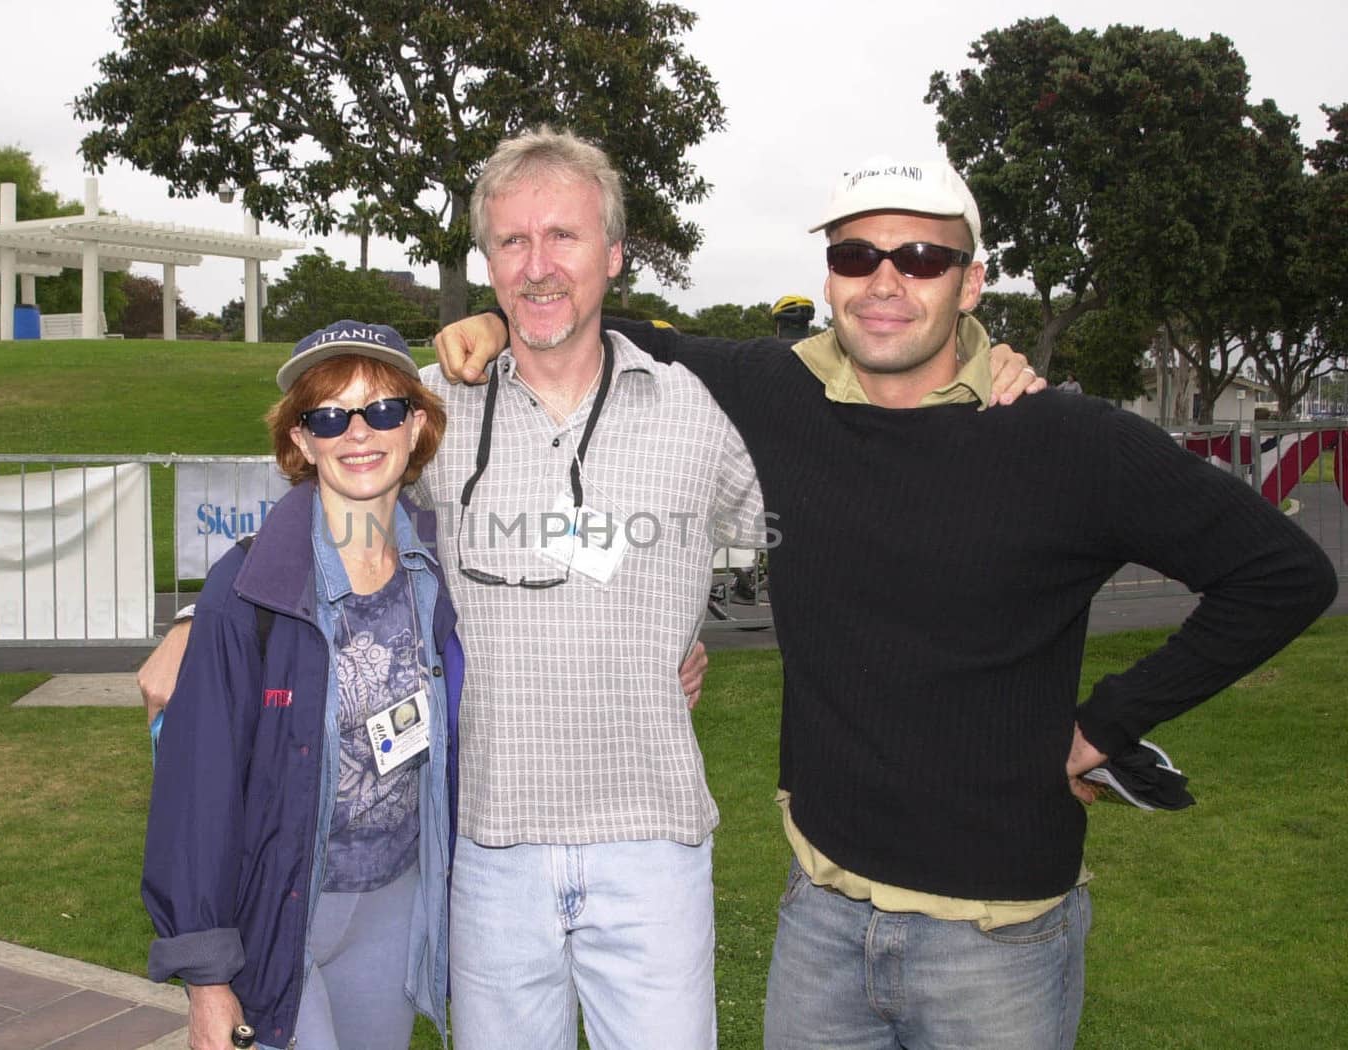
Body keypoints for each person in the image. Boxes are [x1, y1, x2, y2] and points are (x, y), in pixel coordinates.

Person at [138, 131, 1040, 1050]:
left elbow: (864, 495)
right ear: (486, 262)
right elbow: (328, 507)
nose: (538, 267)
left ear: (613, 255)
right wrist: (196, 619)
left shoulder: (702, 408)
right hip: (489, 851)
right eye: (513, 242)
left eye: (563, 237)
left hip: (653, 846)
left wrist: (968, 367)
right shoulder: (435, 411)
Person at [437, 154, 1338, 1049]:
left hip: (998, 942)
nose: (885, 281)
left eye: (922, 258)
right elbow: (601, 320)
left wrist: (1107, 724)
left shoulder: (1065, 438)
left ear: (972, 282)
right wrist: (495, 310)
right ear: (829, 279)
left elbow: (1282, 575)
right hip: (820, 917)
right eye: (856, 257)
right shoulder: (779, 395)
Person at [142, 319, 463, 1050]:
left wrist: (668, 648)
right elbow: (198, 792)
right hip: (279, 909)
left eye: (382, 410)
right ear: (299, 441)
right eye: (328, 415)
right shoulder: (247, 590)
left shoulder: (442, 572)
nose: (359, 432)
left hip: (392, 900)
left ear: (416, 428)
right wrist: (206, 980)